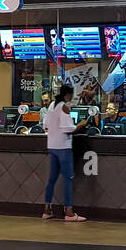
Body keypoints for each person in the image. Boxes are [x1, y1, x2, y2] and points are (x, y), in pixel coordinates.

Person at [41, 84, 87, 221]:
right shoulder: (64, 107)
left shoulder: (51, 106)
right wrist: (81, 124)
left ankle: (47, 210)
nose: (72, 97)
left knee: (51, 179)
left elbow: (46, 126)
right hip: (63, 147)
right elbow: (69, 129)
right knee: (68, 179)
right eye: (72, 94)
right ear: (68, 94)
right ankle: (69, 212)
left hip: (52, 146)